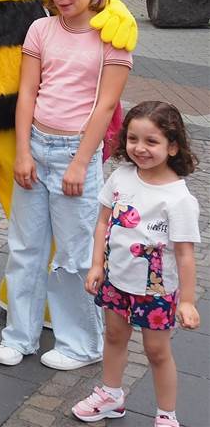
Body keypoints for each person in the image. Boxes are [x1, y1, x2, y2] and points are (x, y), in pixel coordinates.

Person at [0, 0, 132, 371]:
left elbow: (106, 105)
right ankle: (20, 335)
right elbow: (27, 94)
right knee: (25, 248)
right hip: (36, 147)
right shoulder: (41, 29)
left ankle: (80, 342)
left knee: (73, 256)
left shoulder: (112, 36)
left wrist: (80, 163)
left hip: (76, 153)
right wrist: (21, 151)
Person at [72, 102, 200, 427]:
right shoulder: (120, 177)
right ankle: (111, 396)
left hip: (156, 291)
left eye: (151, 142)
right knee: (114, 336)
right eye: (133, 139)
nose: (140, 149)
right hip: (116, 280)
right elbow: (103, 223)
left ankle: (167, 415)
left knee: (157, 352)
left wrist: (186, 300)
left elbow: (185, 254)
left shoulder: (179, 199)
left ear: (173, 146)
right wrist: (96, 266)